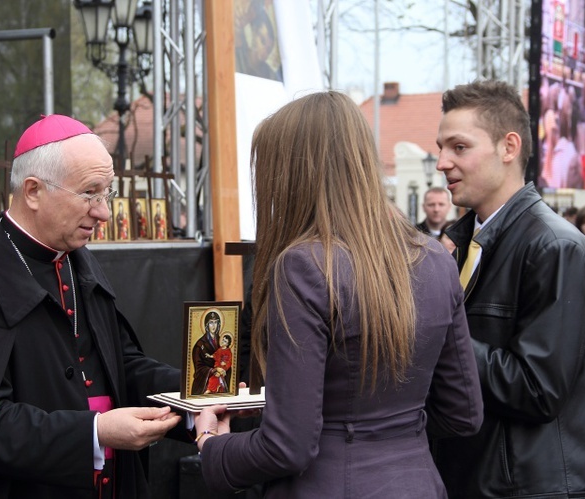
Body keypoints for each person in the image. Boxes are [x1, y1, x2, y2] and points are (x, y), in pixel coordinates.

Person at [193, 91, 483, 498]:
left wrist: (212, 446)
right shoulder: (434, 259)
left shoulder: (303, 266)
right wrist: (388, 432)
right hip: (416, 482)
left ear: (292, 176)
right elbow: (463, 413)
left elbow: (287, 446)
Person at [0, 114, 185, 499]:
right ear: (33, 191)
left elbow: (121, 365)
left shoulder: (78, 259)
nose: (102, 212)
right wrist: (95, 433)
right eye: (89, 194)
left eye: (107, 194)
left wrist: (196, 393)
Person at [433, 80, 585, 498]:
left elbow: (537, 390)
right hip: (483, 480)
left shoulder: (557, 247)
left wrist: (434, 332)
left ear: (509, 147)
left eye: (459, 147)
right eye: (440, 147)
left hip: (534, 488)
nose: (441, 162)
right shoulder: (463, 243)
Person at [191, 310, 223, 395]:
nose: (214, 326)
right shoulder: (199, 345)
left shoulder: (222, 342)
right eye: (211, 323)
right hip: (204, 385)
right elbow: (198, 368)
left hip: (220, 382)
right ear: (206, 325)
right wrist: (212, 371)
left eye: (216, 323)